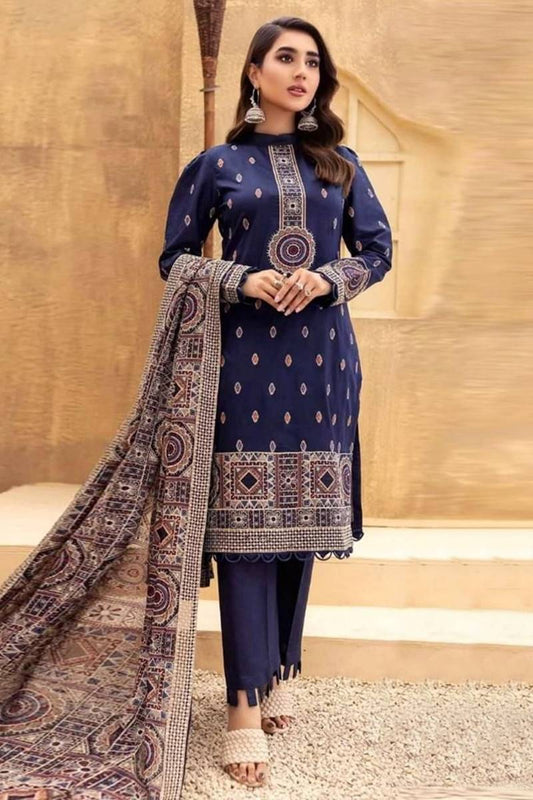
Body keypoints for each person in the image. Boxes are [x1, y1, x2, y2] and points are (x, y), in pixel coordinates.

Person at [158, 15, 393, 789]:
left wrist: (327, 279)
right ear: (254, 73)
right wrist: (241, 278)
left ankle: (280, 667)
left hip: (323, 362)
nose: (301, 72)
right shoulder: (216, 164)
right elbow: (176, 258)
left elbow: (378, 252)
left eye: (312, 62)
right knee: (245, 532)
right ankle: (239, 709)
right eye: (285, 58)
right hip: (243, 364)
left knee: (298, 527)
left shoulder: (341, 165)